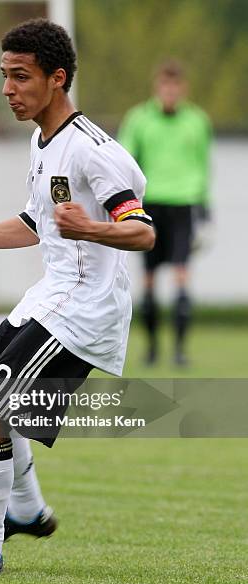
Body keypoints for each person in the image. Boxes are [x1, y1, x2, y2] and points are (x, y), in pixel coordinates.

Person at [0, 18, 154, 577]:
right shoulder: (42, 140)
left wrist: (91, 230)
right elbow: (37, 221)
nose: (8, 89)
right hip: (50, 297)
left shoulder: (95, 152)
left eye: (20, 77)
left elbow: (142, 230)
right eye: (4, 76)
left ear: (58, 78)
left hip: (83, 312)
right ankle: (26, 512)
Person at [118, 60, 212, 366]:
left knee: (182, 275)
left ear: (182, 89)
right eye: (165, 86)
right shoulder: (140, 119)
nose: (170, 92)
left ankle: (180, 351)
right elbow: (126, 162)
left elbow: (203, 165)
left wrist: (204, 207)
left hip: (183, 204)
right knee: (148, 279)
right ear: (157, 88)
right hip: (152, 204)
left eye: (175, 87)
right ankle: (152, 348)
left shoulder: (197, 121)